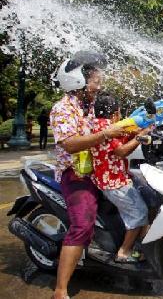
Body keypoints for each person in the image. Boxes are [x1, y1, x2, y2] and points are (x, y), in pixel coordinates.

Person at [50, 51, 125, 299]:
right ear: (78, 82)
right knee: (82, 225)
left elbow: (111, 121)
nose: (99, 85)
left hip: (97, 171)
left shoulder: (91, 106)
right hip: (75, 175)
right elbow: (70, 144)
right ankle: (60, 290)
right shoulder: (62, 109)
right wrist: (105, 135)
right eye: (96, 81)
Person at [90, 92, 150, 263]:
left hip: (114, 178)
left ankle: (143, 244)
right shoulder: (107, 127)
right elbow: (121, 151)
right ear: (115, 112)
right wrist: (140, 137)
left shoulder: (100, 124)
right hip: (114, 182)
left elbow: (121, 138)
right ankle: (124, 252)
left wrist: (135, 132)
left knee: (144, 204)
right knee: (139, 213)